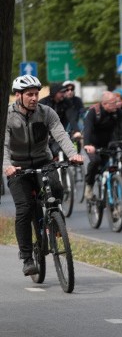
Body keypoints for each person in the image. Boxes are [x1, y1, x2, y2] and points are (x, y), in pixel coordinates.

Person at [4, 75, 83, 275]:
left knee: (56, 188)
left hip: (42, 161)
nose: (34, 98)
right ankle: (27, 257)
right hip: (17, 167)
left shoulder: (46, 112)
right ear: (18, 95)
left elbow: (60, 134)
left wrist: (73, 154)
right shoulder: (7, 116)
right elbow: (3, 145)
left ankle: (55, 222)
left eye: (36, 94)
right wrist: (7, 166)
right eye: (29, 94)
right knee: (24, 209)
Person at [83, 91, 122, 199]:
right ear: (105, 104)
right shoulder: (94, 112)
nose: (116, 105)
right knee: (95, 162)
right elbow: (87, 130)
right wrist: (87, 145)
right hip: (93, 145)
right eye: (113, 103)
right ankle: (89, 186)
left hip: (109, 143)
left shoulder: (118, 112)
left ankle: (115, 189)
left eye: (117, 102)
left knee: (116, 161)